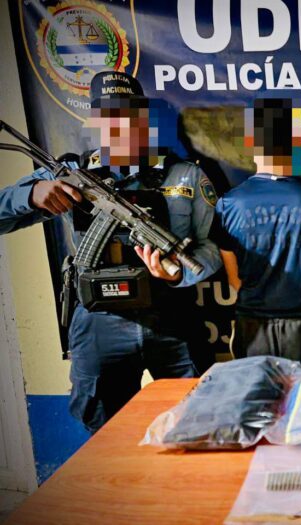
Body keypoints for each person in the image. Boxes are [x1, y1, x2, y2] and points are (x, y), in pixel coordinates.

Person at [0, 71, 221, 432]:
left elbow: (211, 247)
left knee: (199, 419)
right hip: (98, 322)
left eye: (130, 113)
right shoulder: (70, 173)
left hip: (171, 317)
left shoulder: (185, 176)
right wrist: (31, 195)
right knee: (103, 429)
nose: (120, 123)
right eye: (108, 114)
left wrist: (180, 273)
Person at [211, 98, 301, 370]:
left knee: (259, 395)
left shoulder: (228, 203)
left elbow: (234, 279)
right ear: (294, 141)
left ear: (251, 143)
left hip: (252, 323)